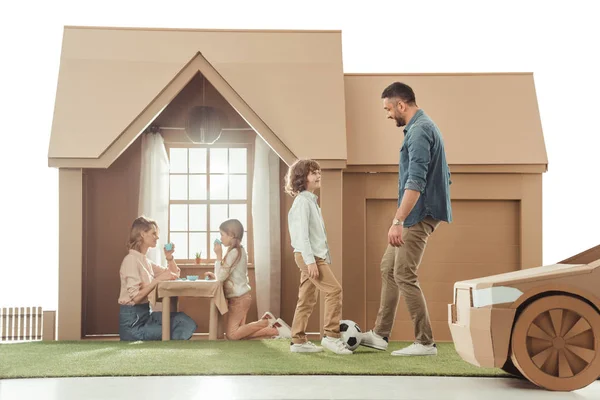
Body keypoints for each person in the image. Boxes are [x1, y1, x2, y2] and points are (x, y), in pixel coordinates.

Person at [361, 82, 452, 356]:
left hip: (418, 214)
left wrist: (398, 220)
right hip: (415, 212)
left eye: (388, 108)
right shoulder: (418, 128)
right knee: (388, 268)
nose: (388, 114)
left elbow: (416, 181)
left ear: (401, 105)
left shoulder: (420, 131)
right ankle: (379, 334)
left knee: (403, 273)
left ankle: (425, 342)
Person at [285, 159, 352, 355]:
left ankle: (298, 340)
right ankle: (331, 336)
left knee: (306, 298)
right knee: (334, 291)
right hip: (309, 256)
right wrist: (310, 261)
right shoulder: (303, 202)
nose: (318, 175)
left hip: (311, 255)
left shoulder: (311, 202)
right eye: (313, 173)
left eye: (318, 172)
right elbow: (301, 235)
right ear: (301, 178)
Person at [204, 219, 292, 340]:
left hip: (239, 299)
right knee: (239, 334)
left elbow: (220, 277)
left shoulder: (234, 253)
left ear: (231, 235)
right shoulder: (238, 251)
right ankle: (269, 325)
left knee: (232, 335)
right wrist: (216, 275)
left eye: (222, 234)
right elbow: (224, 275)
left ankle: (268, 325)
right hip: (239, 298)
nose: (221, 238)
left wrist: (218, 256)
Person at [118, 216, 197, 341]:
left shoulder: (145, 260)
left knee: (183, 321)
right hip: (133, 323)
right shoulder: (131, 260)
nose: (157, 237)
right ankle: (168, 348)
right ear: (142, 234)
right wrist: (157, 280)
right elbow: (136, 297)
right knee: (172, 330)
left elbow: (173, 274)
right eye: (153, 233)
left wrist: (169, 257)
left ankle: (167, 343)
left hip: (145, 315)